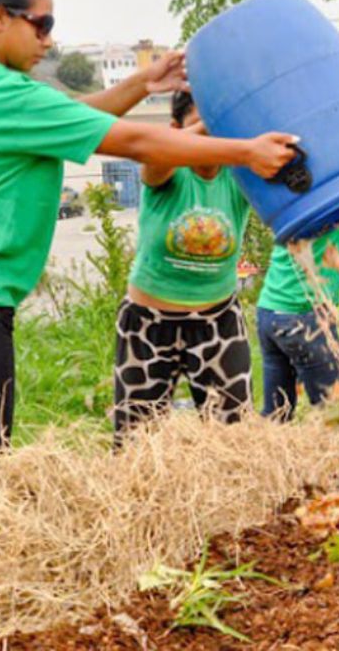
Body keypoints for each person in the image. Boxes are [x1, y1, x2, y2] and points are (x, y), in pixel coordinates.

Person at [0, 0, 296, 482]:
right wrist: (245, 151)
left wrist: (142, 83)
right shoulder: (7, 93)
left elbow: (74, 117)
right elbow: (132, 141)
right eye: (42, 23)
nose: (48, 40)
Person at [112, 91, 257, 441]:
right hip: (149, 323)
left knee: (235, 441)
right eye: (202, 126)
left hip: (217, 322)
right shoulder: (165, 172)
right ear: (175, 128)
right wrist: (211, 124)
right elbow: (155, 156)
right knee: (137, 441)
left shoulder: (238, 177)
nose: (213, 140)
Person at [255, 223, 339, 421]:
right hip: (305, 317)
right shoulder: (334, 207)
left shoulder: (292, 208)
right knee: (333, 416)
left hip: (269, 311)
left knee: (275, 414)